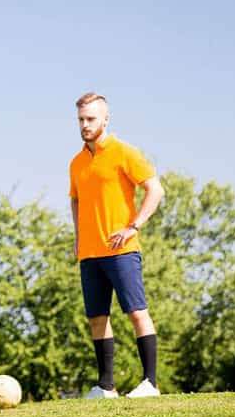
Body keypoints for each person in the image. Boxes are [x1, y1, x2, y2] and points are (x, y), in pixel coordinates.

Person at [69, 92, 165, 399]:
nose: (85, 125)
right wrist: (78, 237)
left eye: (91, 119)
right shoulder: (76, 163)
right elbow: (76, 200)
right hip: (90, 253)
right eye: (81, 119)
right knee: (97, 319)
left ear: (105, 119)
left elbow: (155, 190)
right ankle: (106, 386)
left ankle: (150, 383)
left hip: (121, 251)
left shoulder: (125, 152)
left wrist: (133, 225)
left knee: (136, 313)